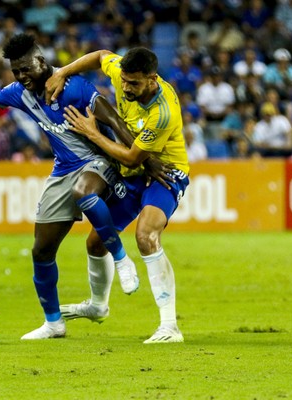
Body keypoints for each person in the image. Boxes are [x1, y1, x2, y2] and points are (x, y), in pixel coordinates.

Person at [0, 34, 169, 340]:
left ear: (42, 61)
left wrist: (146, 162)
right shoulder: (19, 93)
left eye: (25, 68)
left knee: (83, 191)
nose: (21, 76)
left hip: (99, 162)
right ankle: (54, 323)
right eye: (16, 71)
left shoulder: (76, 87)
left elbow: (116, 122)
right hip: (62, 169)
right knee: (41, 250)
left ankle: (121, 259)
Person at [46, 47, 190, 343]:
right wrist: (62, 72)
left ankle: (169, 326)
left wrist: (92, 133)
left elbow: (132, 157)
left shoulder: (162, 113)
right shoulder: (121, 73)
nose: (125, 88)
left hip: (165, 172)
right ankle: (98, 306)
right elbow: (100, 56)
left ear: (152, 79)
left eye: (133, 83)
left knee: (146, 235)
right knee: (97, 241)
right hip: (136, 174)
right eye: (123, 80)